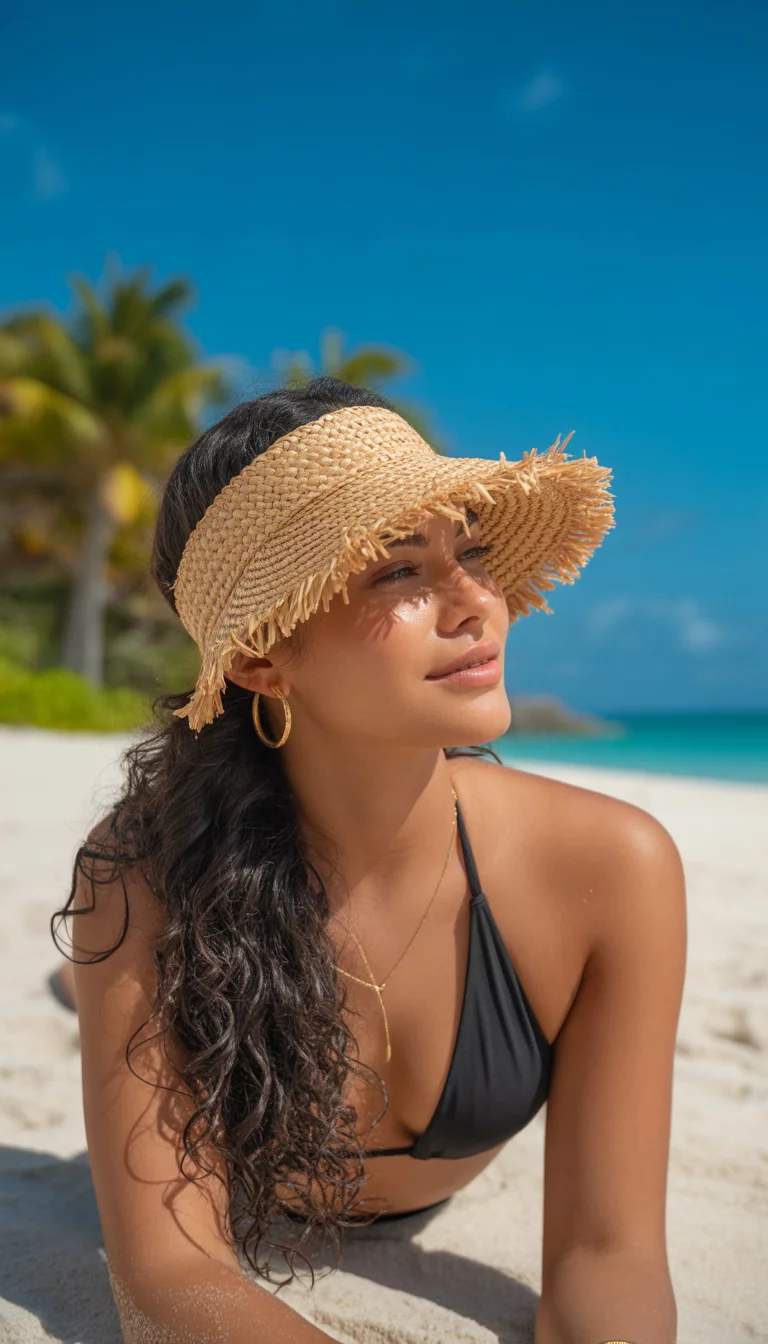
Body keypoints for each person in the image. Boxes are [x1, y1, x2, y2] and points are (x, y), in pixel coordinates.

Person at [51, 377, 685, 1344]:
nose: (476, 604)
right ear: (263, 654)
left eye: (471, 553)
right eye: (398, 574)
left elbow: (611, 1254)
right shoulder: (145, 881)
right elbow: (171, 1274)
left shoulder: (611, 870)